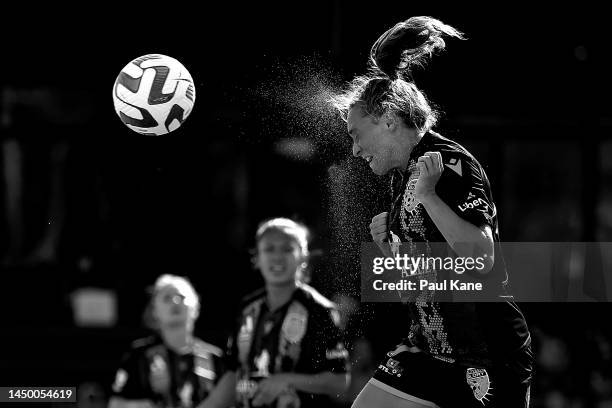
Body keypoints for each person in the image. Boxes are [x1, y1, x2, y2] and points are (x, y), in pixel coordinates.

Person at [331, 16, 533, 408]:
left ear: (389, 120)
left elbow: (480, 256)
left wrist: (429, 197)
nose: (355, 150)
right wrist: (390, 246)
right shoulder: (401, 175)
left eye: (357, 134)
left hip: (486, 358)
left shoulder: (450, 162)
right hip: (428, 349)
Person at [201, 218, 349, 408]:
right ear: (256, 258)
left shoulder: (320, 311)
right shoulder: (247, 308)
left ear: (303, 257)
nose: (277, 257)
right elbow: (234, 374)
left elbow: (340, 381)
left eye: (287, 249)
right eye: (269, 249)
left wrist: (286, 380)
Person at [109, 274, 223, 408]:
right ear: (155, 310)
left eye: (181, 297)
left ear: (196, 307)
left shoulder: (215, 358)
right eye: (167, 298)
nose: (175, 301)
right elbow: (114, 404)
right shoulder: (139, 355)